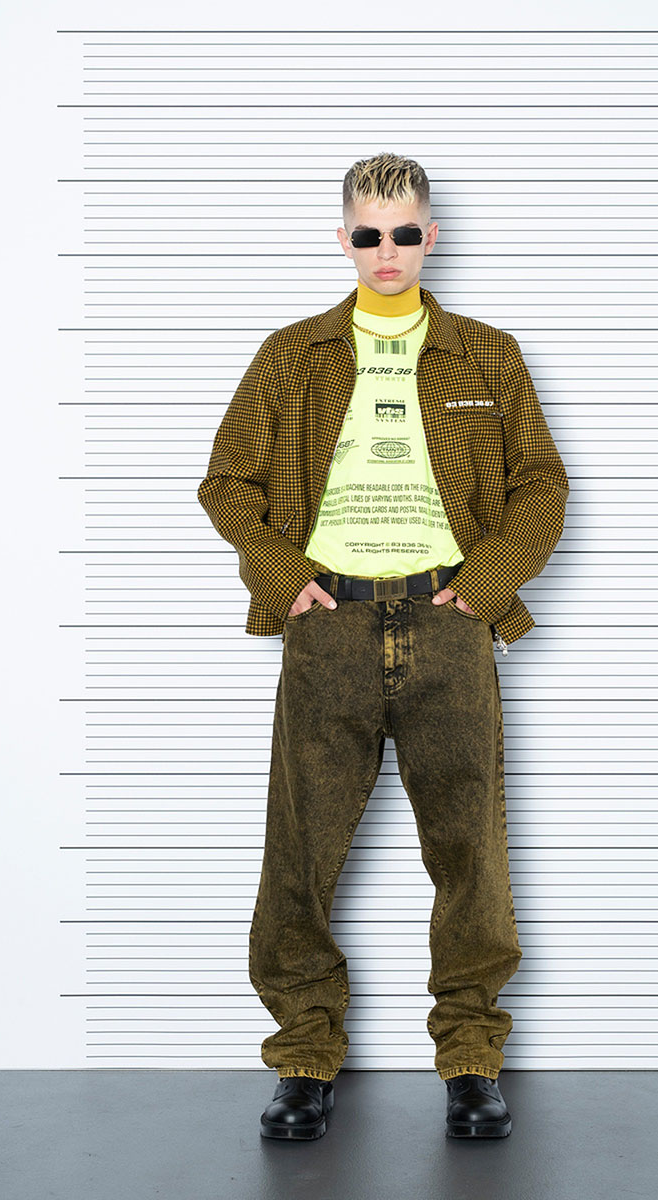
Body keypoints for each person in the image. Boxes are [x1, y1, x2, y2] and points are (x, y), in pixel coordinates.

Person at [197, 152, 570, 1140]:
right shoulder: (292, 355)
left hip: (449, 627)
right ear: (345, 240)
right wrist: (283, 576)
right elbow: (226, 482)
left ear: (429, 237)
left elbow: (540, 485)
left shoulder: (487, 354)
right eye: (369, 234)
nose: (388, 250)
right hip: (329, 629)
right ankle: (304, 1058)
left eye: (405, 232)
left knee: (471, 853)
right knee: (300, 854)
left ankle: (471, 1059)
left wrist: (484, 585)